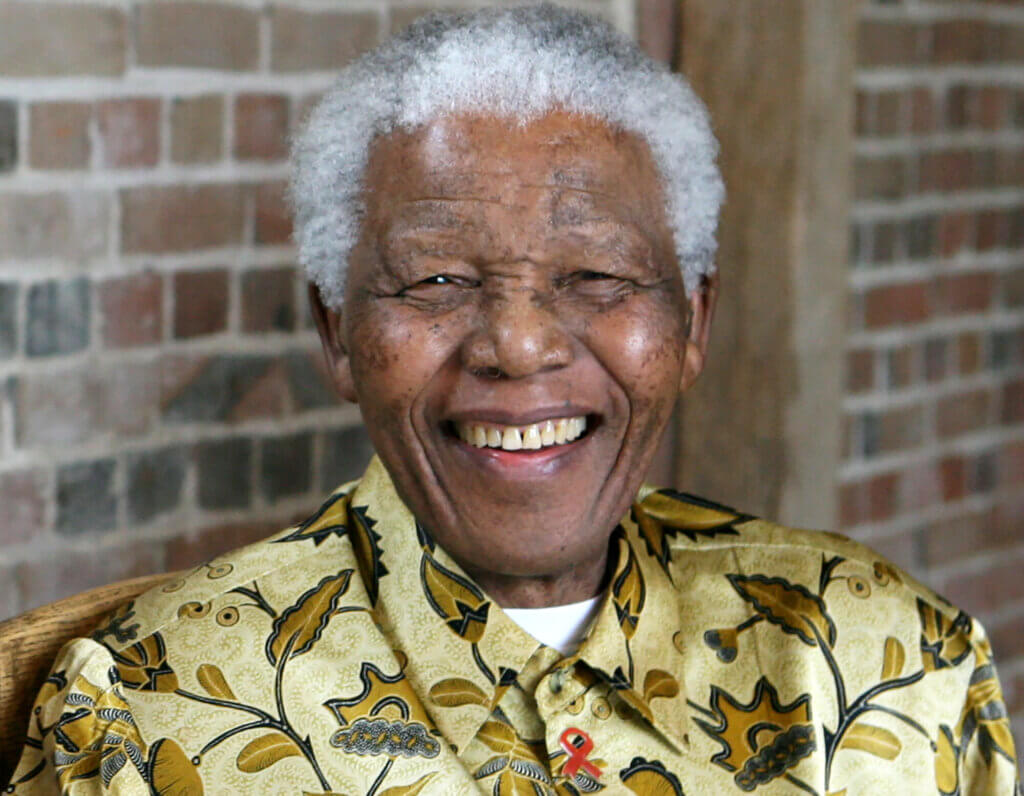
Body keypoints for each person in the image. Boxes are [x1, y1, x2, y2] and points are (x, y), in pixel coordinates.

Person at [6, 5, 1019, 794]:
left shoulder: (889, 653)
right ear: (336, 334)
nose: (520, 345)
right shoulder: (152, 708)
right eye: (437, 281)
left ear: (692, 322)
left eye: (596, 278)